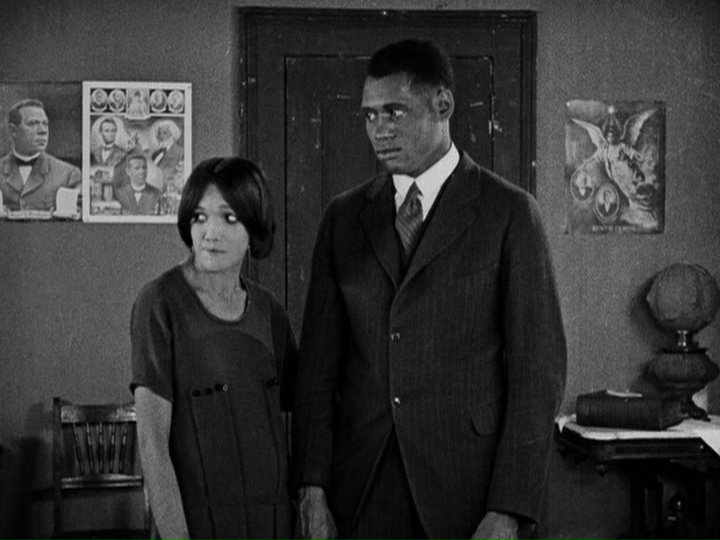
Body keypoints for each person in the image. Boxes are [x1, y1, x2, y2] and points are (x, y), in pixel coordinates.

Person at [293, 39, 567, 540]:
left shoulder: (508, 213)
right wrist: (312, 489)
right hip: (361, 490)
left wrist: (509, 509)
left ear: (443, 105)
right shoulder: (343, 218)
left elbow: (538, 375)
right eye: (369, 116)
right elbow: (316, 371)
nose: (379, 130)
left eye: (394, 112)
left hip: (469, 493)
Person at [131, 157, 297, 540]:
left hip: (272, 524)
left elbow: (304, 409)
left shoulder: (268, 310)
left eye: (229, 218)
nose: (210, 233)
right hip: (195, 524)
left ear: (254, 227)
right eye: (200, 217)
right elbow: (153, 445)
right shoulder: (159, 303)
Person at [0, 98, 81, 212]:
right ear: (13, 130)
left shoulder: (68, 175)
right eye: (33, 124)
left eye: (45, 124)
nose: (43, 130)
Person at [151, 119, 184, 184]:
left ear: (172, 134)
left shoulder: (180, 152)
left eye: (165, 133)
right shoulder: (156, 153)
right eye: (160, 133)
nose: (161, 136)